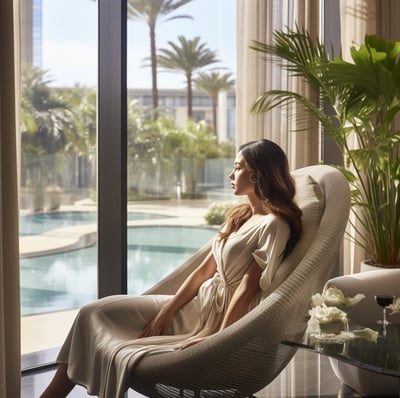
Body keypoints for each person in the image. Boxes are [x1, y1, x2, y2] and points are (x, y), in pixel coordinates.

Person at [40, 139, 302, 398]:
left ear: (257, 174)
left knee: (96, 316)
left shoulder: (274, 225)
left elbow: (247, 289)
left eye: (237, 167)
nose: (230, 174)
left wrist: (219, 338)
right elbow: (203, 272)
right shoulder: (240, 216)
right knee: (92, 312)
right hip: (195, 305)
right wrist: (168, 309)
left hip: (216, 318)